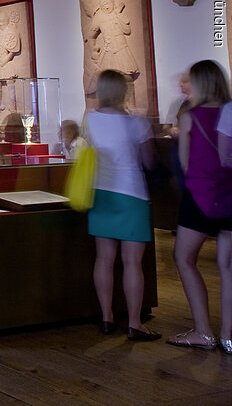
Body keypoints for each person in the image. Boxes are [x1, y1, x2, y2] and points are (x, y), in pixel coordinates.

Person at [84, 69, 158, 340]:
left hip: (101, 193)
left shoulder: (90, 119)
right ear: (123, 92)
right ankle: (135, 322)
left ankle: (106, 317)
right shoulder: (136, 123)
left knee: (104, 259)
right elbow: (149, 161)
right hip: (132, 194)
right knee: (132, 263)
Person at [169, 60, 232, 351]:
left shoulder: (190, 117)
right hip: (230, 195)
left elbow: (184, 162)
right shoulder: (229, 111)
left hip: (200, 195)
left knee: (184, 259)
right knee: (227, 266)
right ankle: (229, 335)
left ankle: (203, 332)